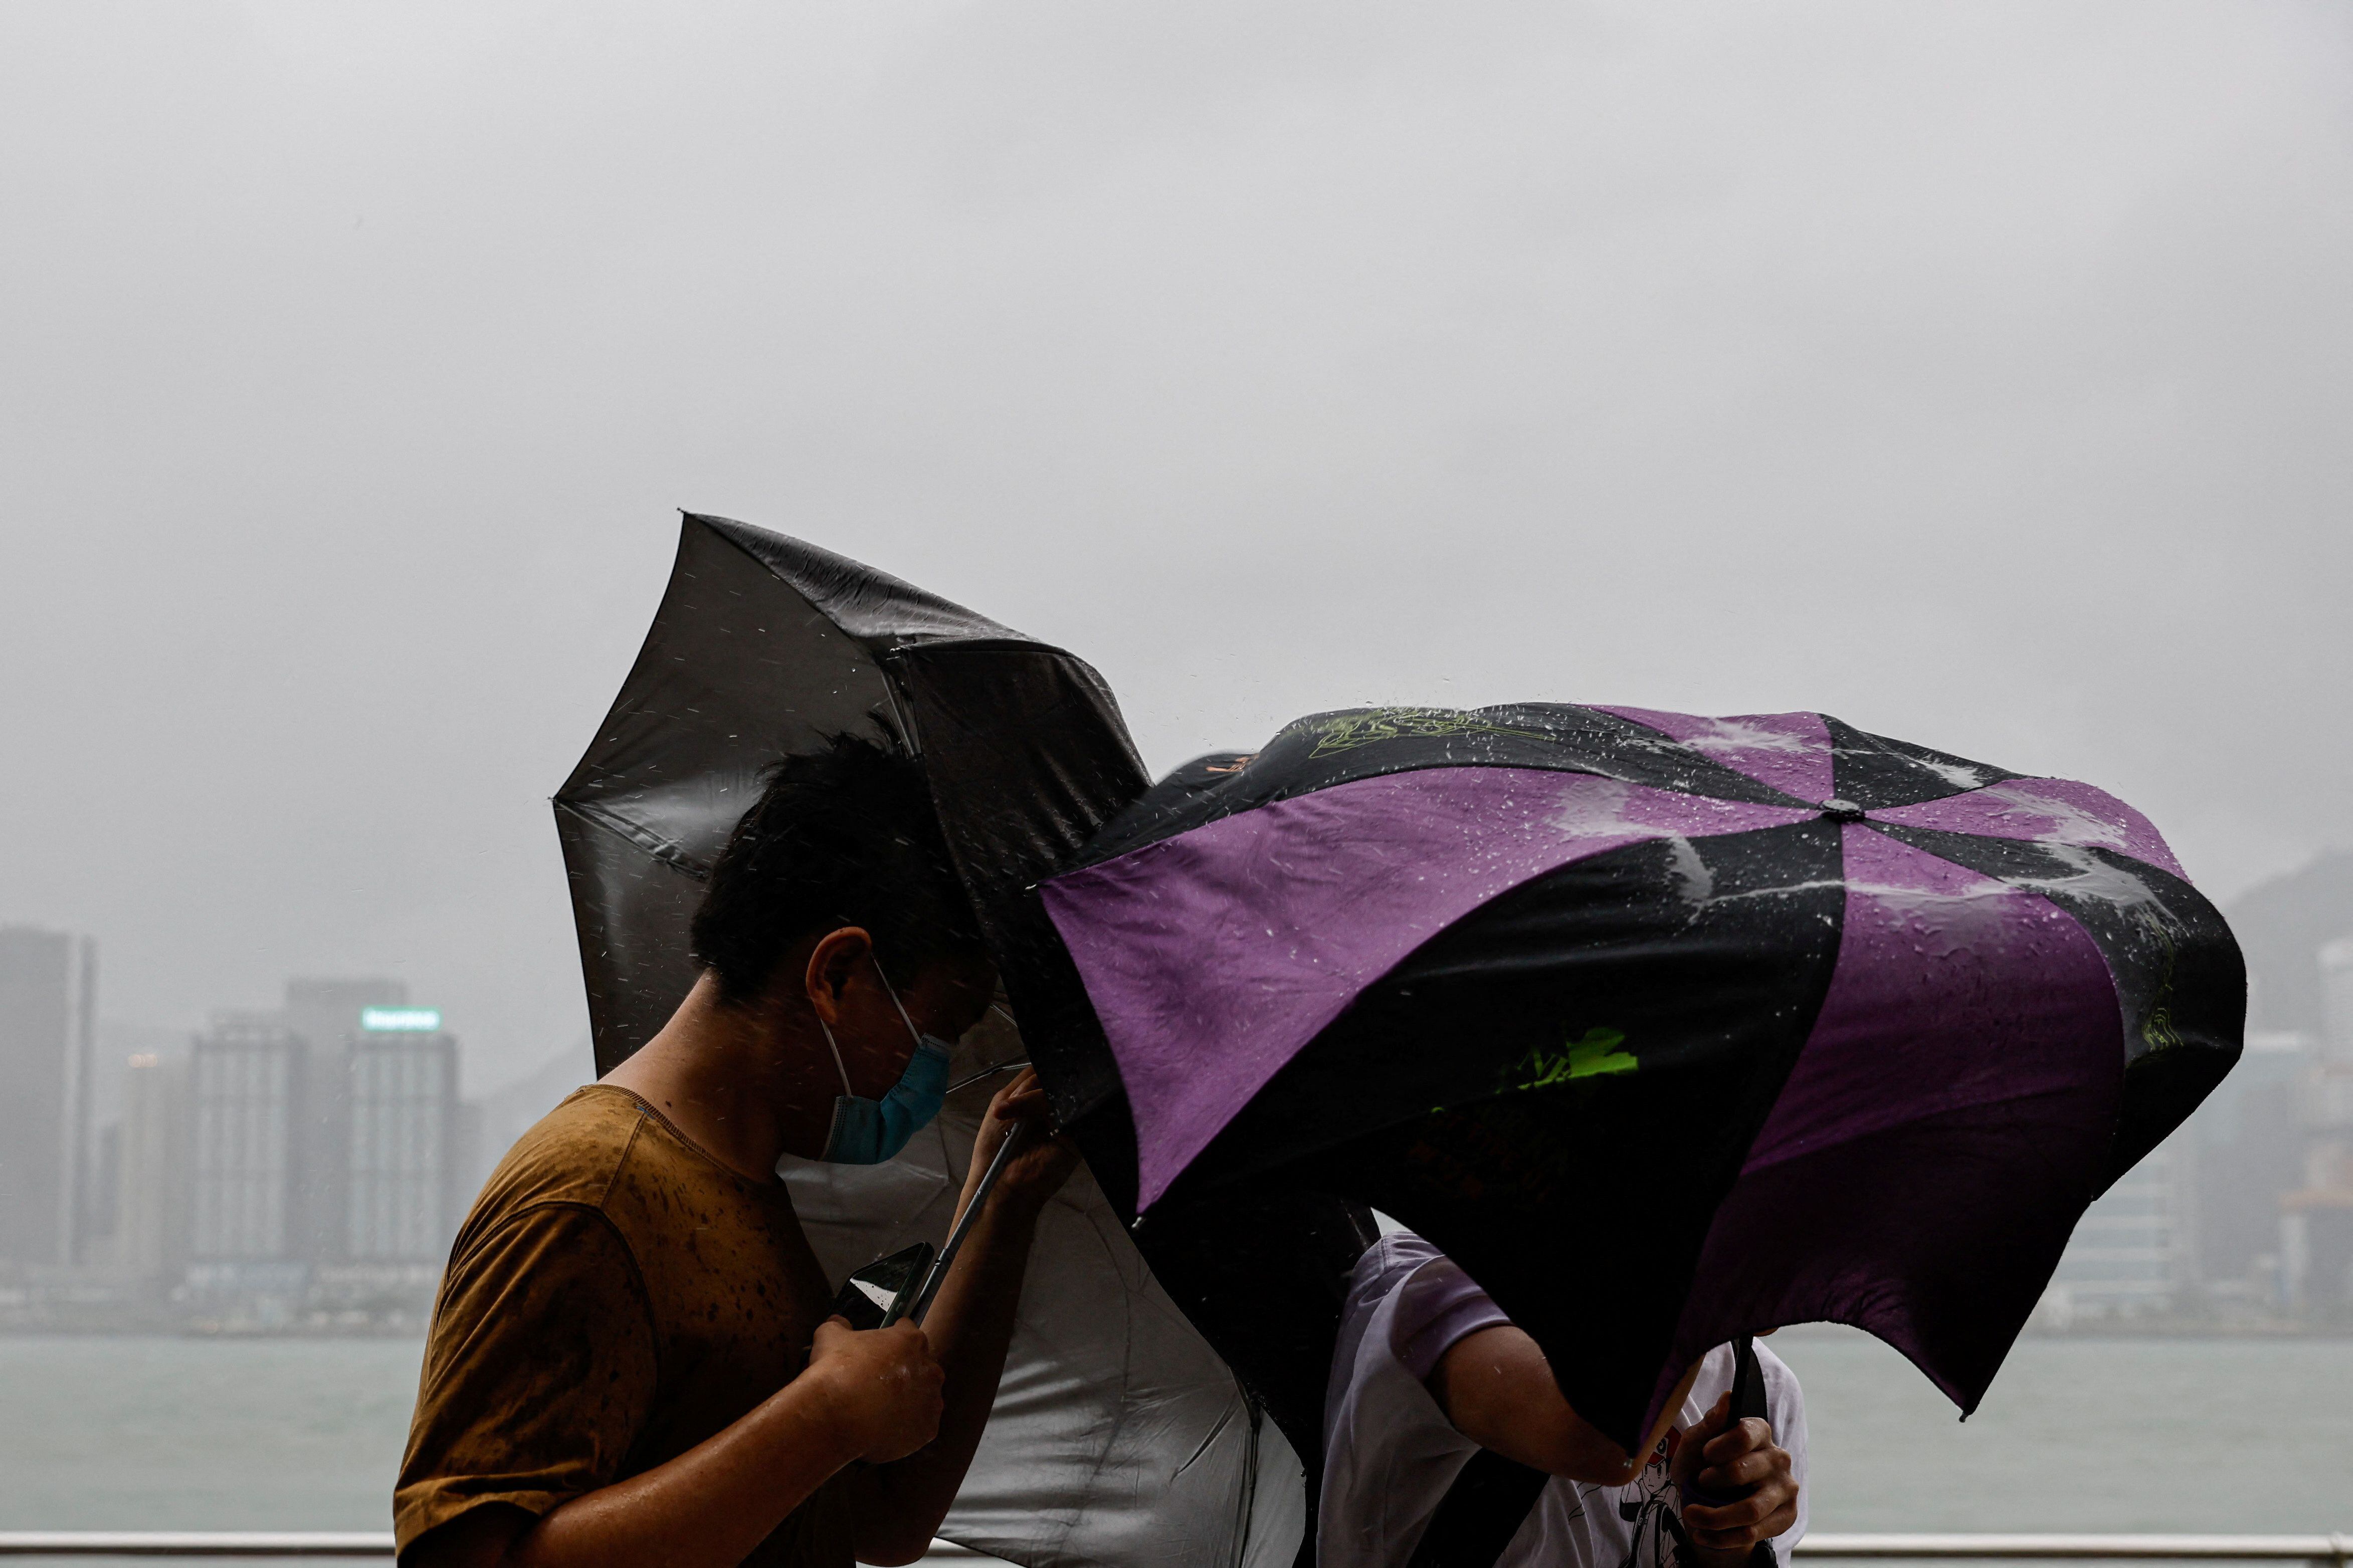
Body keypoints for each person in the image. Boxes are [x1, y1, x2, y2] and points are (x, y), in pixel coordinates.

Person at [395, 735, 1078, 1568]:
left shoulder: (743, 1184)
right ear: (837, 973)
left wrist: (1003, 1200)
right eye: (936, 1031)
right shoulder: (591, 1193)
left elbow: (882, 1518)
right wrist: (823, 1413)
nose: (930, 1074)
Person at [1320, 1229, 1806, 1568]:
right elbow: (1604, 1443)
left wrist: (1723, 1548)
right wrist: (1715, 1283)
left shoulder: (1760, 1384)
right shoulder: (1434, 1291)